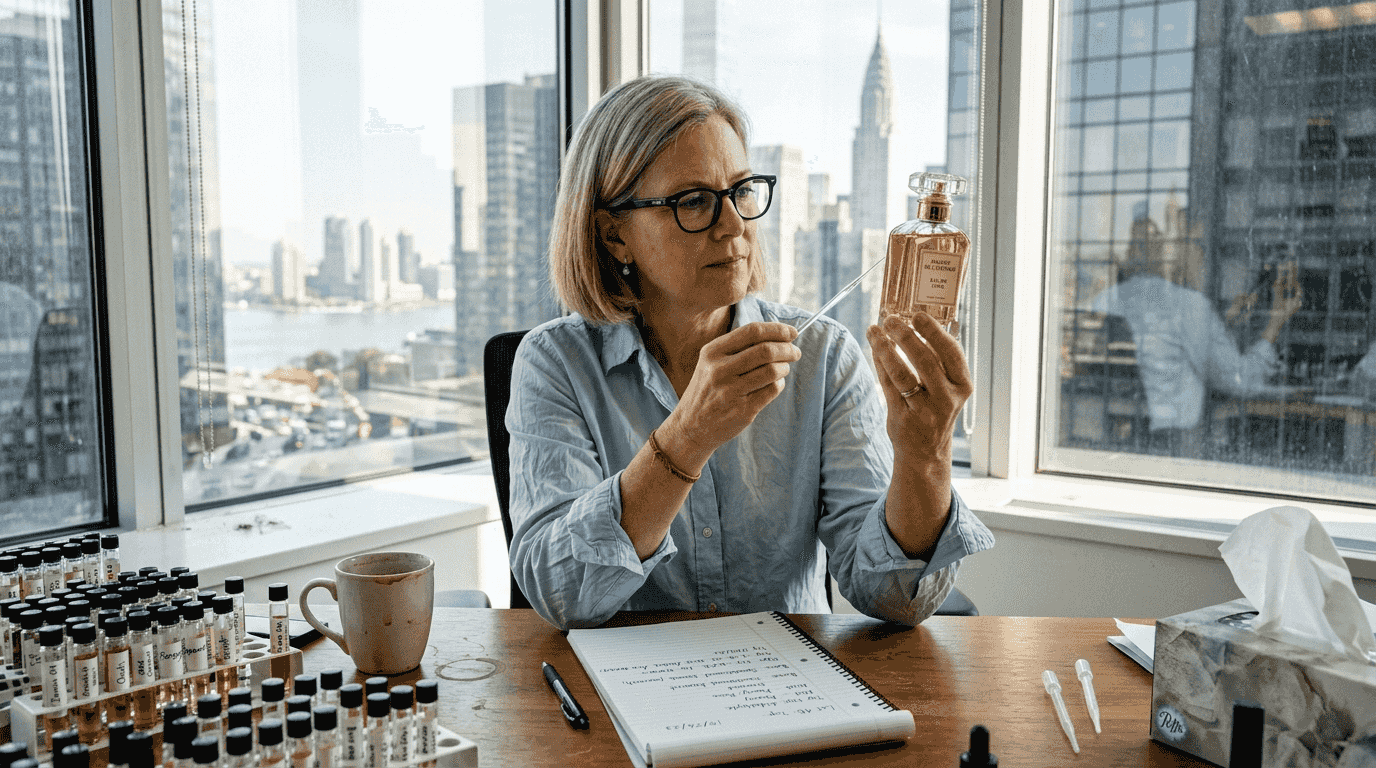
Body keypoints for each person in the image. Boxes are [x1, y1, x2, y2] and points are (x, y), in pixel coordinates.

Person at [506, 76, 994, 631]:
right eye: (694, 201)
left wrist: (925, 454)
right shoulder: (554, 363)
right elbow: (560, 592)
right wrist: (688, 436)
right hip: (617, 680)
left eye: (741, 191)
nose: (735, 225)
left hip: (790, 675)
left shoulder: (824, 356)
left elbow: (895, 597)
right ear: (615, 234)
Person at [1091, 248, 1302, 451]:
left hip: (1147, 437)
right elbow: (1240, 380)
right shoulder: (1188, 307)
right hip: (1183, 442)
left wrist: (1225, 322)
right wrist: (1276, 322)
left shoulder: (1145, 311)